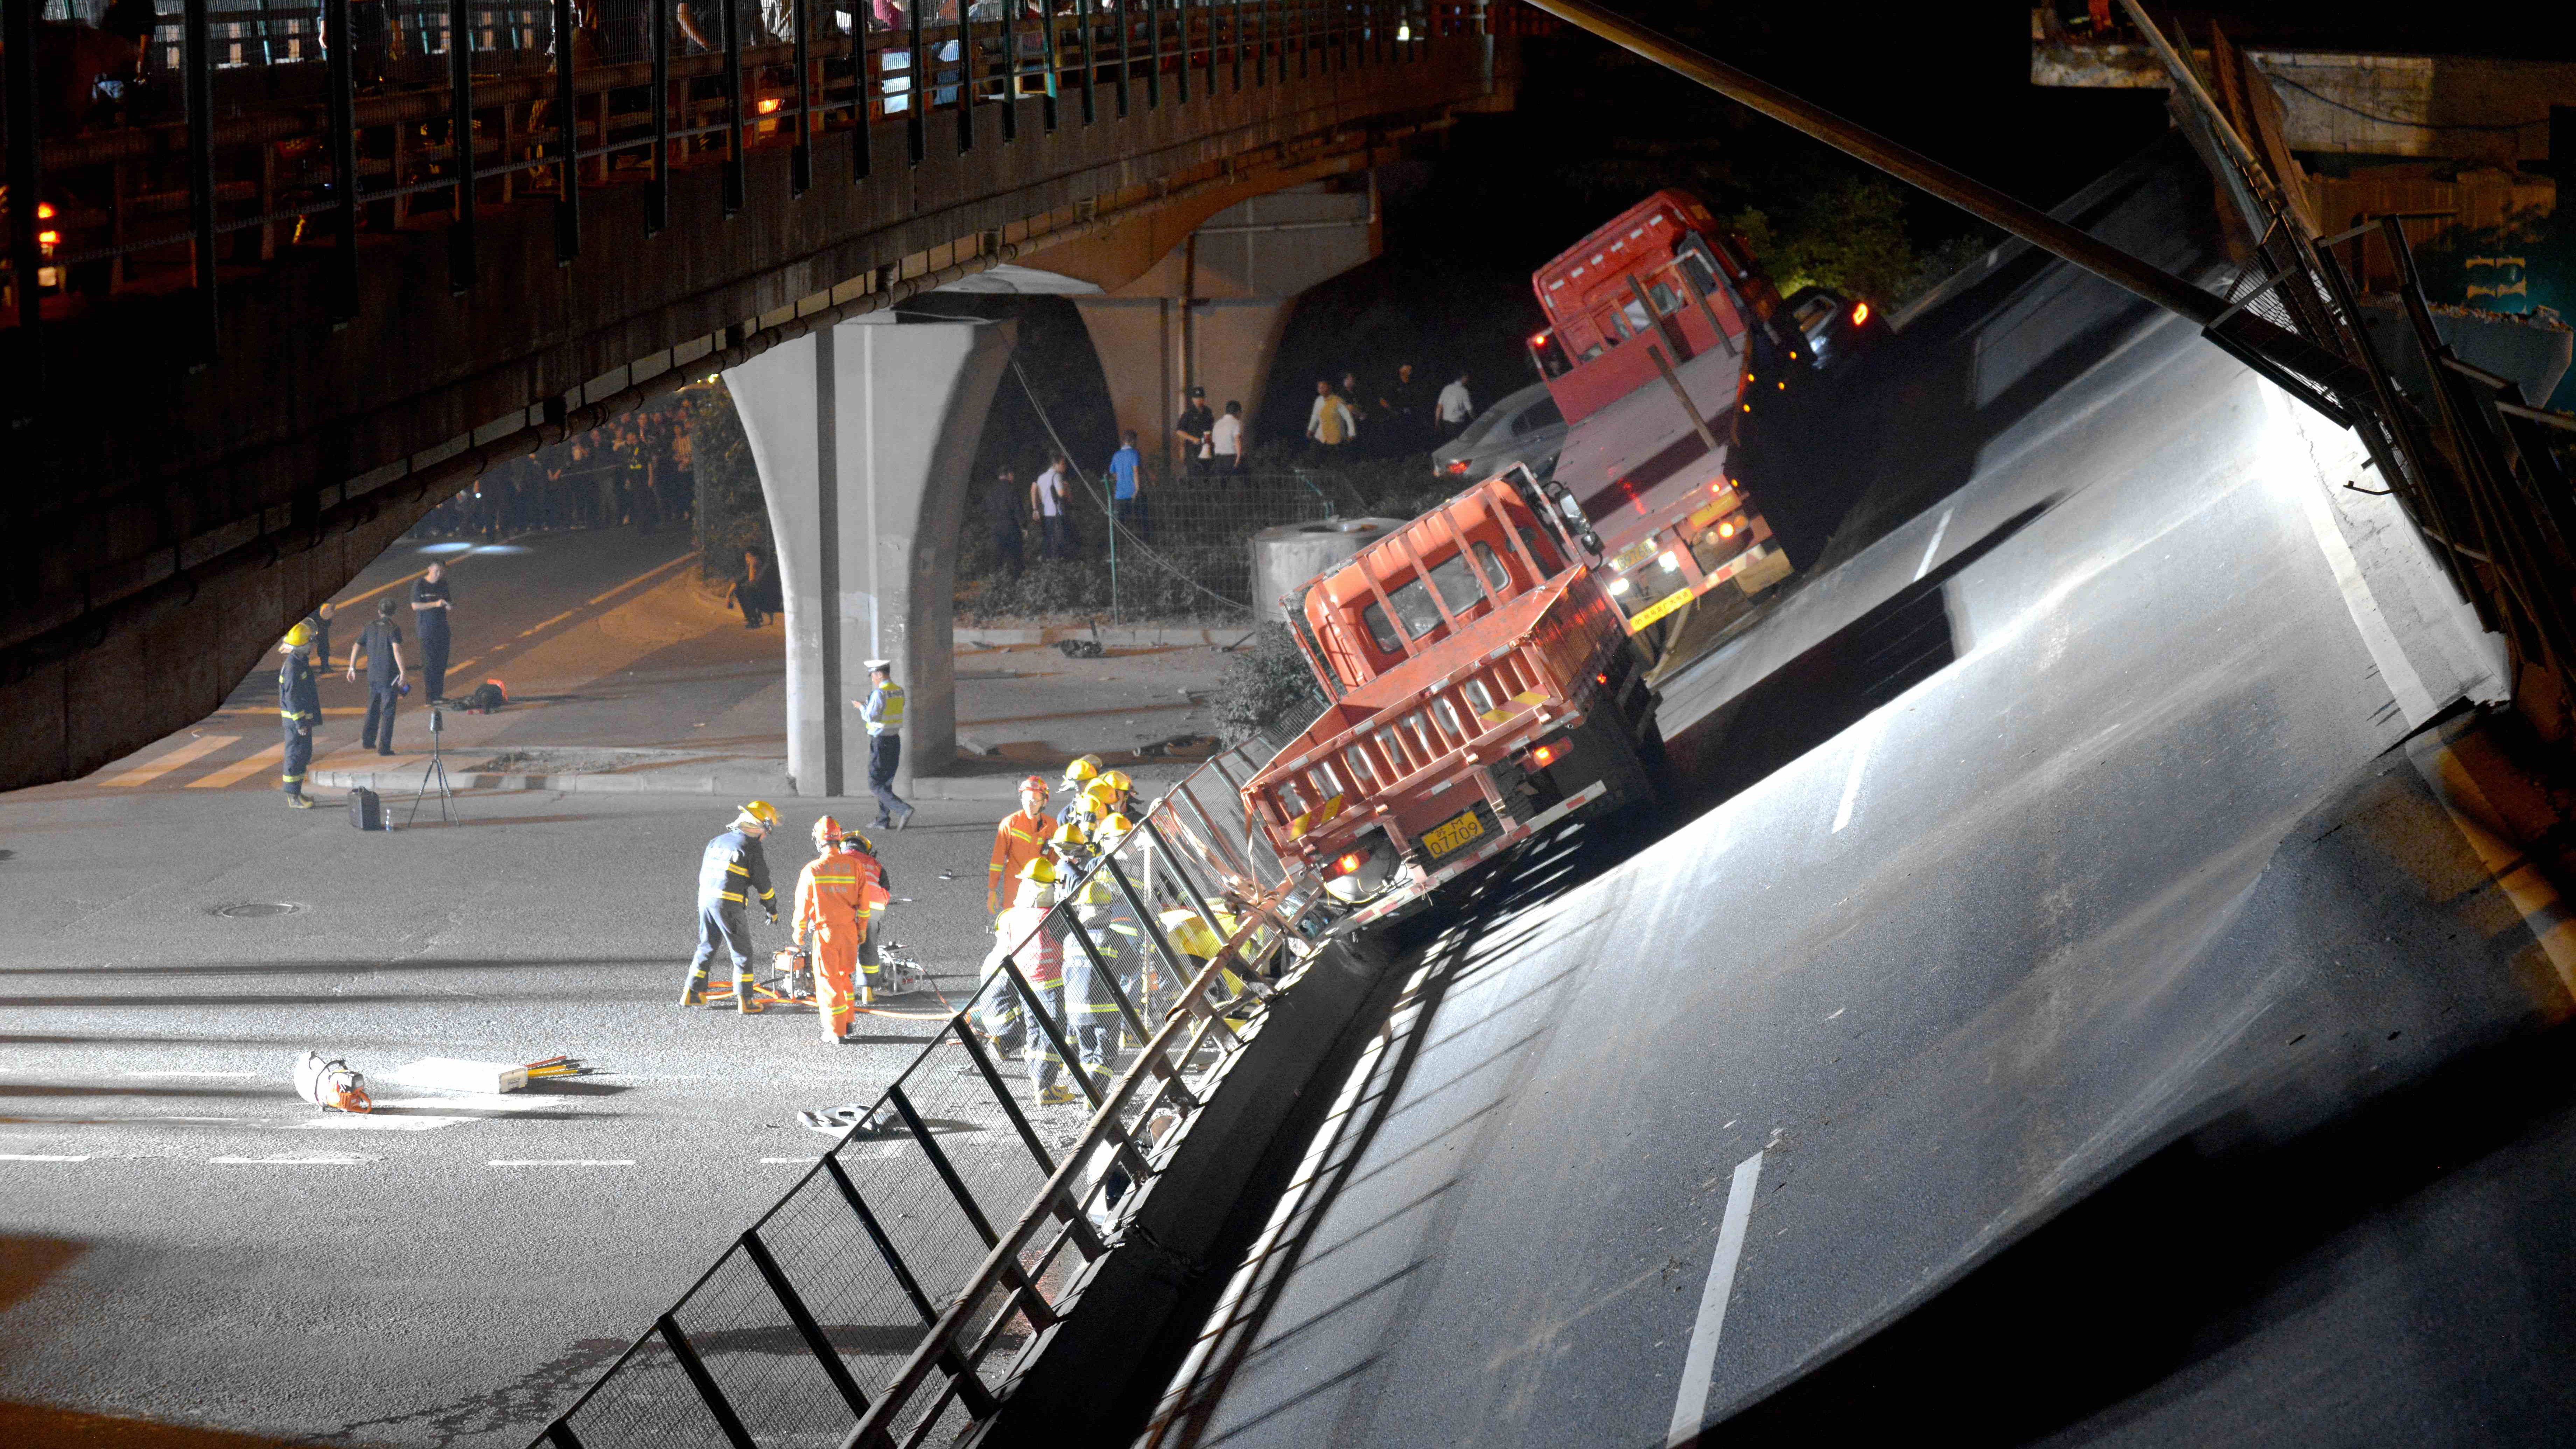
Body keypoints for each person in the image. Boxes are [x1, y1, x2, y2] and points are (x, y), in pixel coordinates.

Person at [971, 857, 1077, 1105]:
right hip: (1050, 985)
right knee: (1050, 1035)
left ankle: (1040, 1085)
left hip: (1026, 983)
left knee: (1034, 1033)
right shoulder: (1051, 916)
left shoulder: (1015, 915)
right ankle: (1045, 1089)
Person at [794, 816, 892, 1041]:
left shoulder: (813, 869)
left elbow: (803, 905)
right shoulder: (856, 866)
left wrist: (798, 931)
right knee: (845, 977)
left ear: (818, 841)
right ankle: (848, 1023)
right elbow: (864, 903)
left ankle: (834, 1031)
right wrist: (861, 929)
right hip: (849, 931)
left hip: (826, 933)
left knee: (828, 981)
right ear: (839, 839)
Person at [681, 801, 781, 1009]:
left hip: (706, 900)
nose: (764, 836)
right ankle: (746, 1001)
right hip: (728, 904)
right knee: (742, 951)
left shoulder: (716, 842)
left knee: (707, 946)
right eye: (766, 830)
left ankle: (691, 993)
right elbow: (763, 883)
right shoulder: (750, 848)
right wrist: (771, 908)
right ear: (760, 826)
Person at [851, 660, 914, 831]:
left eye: (873, 676)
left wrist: (861, 708)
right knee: (886, 782)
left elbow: (871, 717)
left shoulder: (879, 693)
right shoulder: (899, 691)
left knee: (875, 784)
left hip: (880, 742)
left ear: (880, 674)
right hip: (894, 740)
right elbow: (895, 710)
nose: (873, 679)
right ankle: (883, 820)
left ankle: (903, 810)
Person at [988, 775, 1056, 922]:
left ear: (1044, 802)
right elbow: (997, 859)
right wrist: (992, 890)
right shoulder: (1010, 824)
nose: (1029, 805)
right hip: (1015, 886)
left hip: (1042, 888)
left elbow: (1055, 861)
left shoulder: (1052, 826)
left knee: (1039, 928)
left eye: (1033, 801)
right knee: (1013, 929)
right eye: (1025, 800)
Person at [345, 597, 408, 757]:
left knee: (373, 708)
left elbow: (356, 646)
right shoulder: (393, 629)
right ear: (394, 612)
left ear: (379, 611)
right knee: (387, 712)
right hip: (389, 677)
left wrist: (352, 668)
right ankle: (384, 748)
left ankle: (368, 741)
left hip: (372, 675)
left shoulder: (370, 626)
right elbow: (396, 650)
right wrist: (403, 672)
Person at [277, 623, 322, 810]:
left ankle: (297, 791)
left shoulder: (299, 662)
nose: (312, 646)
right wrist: (300, 721)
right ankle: (293, 797)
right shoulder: (293, 667)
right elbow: (292, 697)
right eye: (309, 642)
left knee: (303, 754)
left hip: (301, 720)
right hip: (296, 722)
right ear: (301, 645)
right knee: (295, 756)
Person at [410, 562, 454, 704]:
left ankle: (438, 695)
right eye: (436, 571)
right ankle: (430, 697)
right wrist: (435, 604)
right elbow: (415, 606)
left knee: (442, 663)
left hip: (442, 629)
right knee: (430, 663)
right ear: (429, 569)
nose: (438, 575)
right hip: (427, 630)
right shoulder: (420, 585)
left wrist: (448, 605)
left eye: (441, 572)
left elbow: (449, 603)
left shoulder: (443, 584)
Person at [1107, 430, 1151, 541]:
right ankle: (1145, 543)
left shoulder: (1116, 456)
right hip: (1133, 494)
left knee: (1120, 526)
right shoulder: (1134, 454)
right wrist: (1137, 489)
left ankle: (1121, 548)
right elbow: (1136, 471)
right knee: (1143, 521)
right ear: (1132, 441)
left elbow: (1113, 472)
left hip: (1120, 495)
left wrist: (1120, 480)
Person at [984, 463, 1026, 578]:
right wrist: (1024, 526)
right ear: (1009, 475)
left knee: (997, 560)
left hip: (995, 528)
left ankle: (996, 585)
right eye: (1013, 475)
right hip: (1011, 528)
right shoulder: (1013, 489)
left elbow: (986, 509)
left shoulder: (990, 490)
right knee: (1015, 559)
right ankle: (1016, 583)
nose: (1014, 478)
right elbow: (1018, 509)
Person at [1030, 453, 1074, 560]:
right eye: (1063, 464)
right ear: (1056, 464)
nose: (1065, 467)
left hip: (1046, 514)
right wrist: (1067, 487)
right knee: (1059, 542)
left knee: (1048, 541)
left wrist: (1036, 509)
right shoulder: (1057, 476)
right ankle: (1059, 565)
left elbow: (1039, 495)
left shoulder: (1041, 478)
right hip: (1057, 514)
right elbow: (1061, 494)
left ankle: (1047, 565)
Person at [1174, 386, 1216, 478]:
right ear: (1193, 399)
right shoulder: (1189, 414)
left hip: (1207, 447)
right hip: (1193, 449)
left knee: (1207, 475)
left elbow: (1210, 429)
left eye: (1200, 398)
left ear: (1204, 399)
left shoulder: (1208, 412)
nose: (1198, 400)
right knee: (1195, 474)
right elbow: (1179, 431)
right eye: (1196, 398)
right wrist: (1193, 439)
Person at [1307, 378, 1357, 456]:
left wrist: (1351, 433)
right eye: (1320, 388)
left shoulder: (1338, 401)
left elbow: (1348, 417)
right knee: (1314, 457)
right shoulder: (1319, 401)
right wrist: (1311, 430)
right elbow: (1315, 417)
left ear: (1330, 388)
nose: (1321, 390)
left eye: (1323, 387)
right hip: (1321, 437)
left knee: (1334, 461)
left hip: (1336, 439)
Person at [729, 548, 775, 629]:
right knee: (738, 589)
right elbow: (737, 581)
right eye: (746, 557)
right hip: (759, 596)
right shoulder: (751, 568)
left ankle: (756, 620)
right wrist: (728, 596)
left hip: (769, 598)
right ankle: (750, 617)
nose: (747, 559)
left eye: (749, 557)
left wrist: (752, 566)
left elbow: (752, 582)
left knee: (748, 588)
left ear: (756, 558)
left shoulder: (765, 567)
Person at [1436, 370, 1475, 440]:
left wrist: (1437, 421)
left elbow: (1439, 407)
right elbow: (1470, 410)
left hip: (1447, 424)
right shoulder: (1464, 391)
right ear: (1464, 378)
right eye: (1467, 378)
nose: (1468, 380)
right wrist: (1475, 420)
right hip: (1458, 424)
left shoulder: (1446, 389)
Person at [1211, 401, 1246, 475]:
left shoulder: (1218, 424)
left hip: (1219, 459)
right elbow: (1237, 439)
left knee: (1222, 484)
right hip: (1232, 458)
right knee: (1242, 482)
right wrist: (1239, 458)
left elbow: (1214, 442)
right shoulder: (1237, 423)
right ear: (1238, 412)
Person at [303, 601, 337, 671]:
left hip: (310, 621)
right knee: (323, 643)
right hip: (318, 622)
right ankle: (325, 666)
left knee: (304, 644)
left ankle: (303, 667)